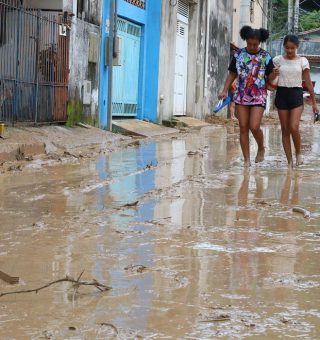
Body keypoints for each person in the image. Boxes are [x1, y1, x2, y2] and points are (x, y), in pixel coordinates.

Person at [219, 26, 277, 167]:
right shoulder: (238, 55)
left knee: (254, 125)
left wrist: (274, 74)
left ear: (260, 42)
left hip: (259, 95)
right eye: (249, 44)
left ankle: (261, 147)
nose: (252, 47)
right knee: (243, 126)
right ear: (246, 41)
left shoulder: (265, 56)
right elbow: (232, 74)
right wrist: (224, 90)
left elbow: (270, 77)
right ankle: (246, 160)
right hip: (241, 95)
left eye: (255, 44)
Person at [273, 34, 319, 167]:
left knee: (294, 127)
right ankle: (289, 161)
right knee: (285, 129)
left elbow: (309, 82)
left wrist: (314, 102)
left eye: (292, 48)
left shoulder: (303, 61)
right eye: (287, 48)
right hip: (281, 94)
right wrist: (272, 74)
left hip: (296, 94)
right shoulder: (277, 60)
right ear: (284, 47)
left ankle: (298, 153)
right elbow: (270, 79)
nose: (289, 51)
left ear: (297, 47)